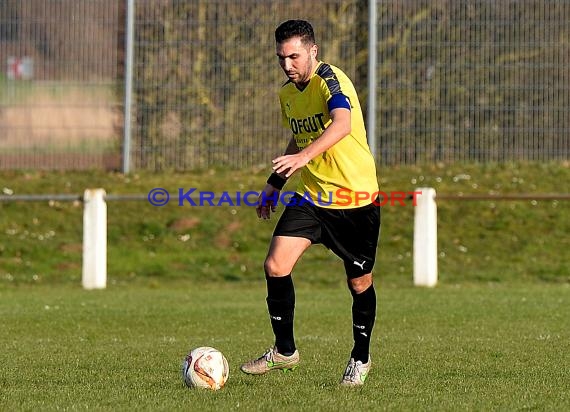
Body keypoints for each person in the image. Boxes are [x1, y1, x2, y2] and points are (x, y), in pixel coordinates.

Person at [240, 19, 380, 386]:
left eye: (294, 56)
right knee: (275, 265)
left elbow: (342, 124)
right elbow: (299, 138)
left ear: (313, 51)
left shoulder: (330, 79)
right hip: (313, 198)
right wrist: (275, 182)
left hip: (355, 200)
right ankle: (285, 351)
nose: (288, 65)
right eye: (281, 58)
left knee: (359, 284)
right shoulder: (288, 93)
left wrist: (302, 159)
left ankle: (360, 358)